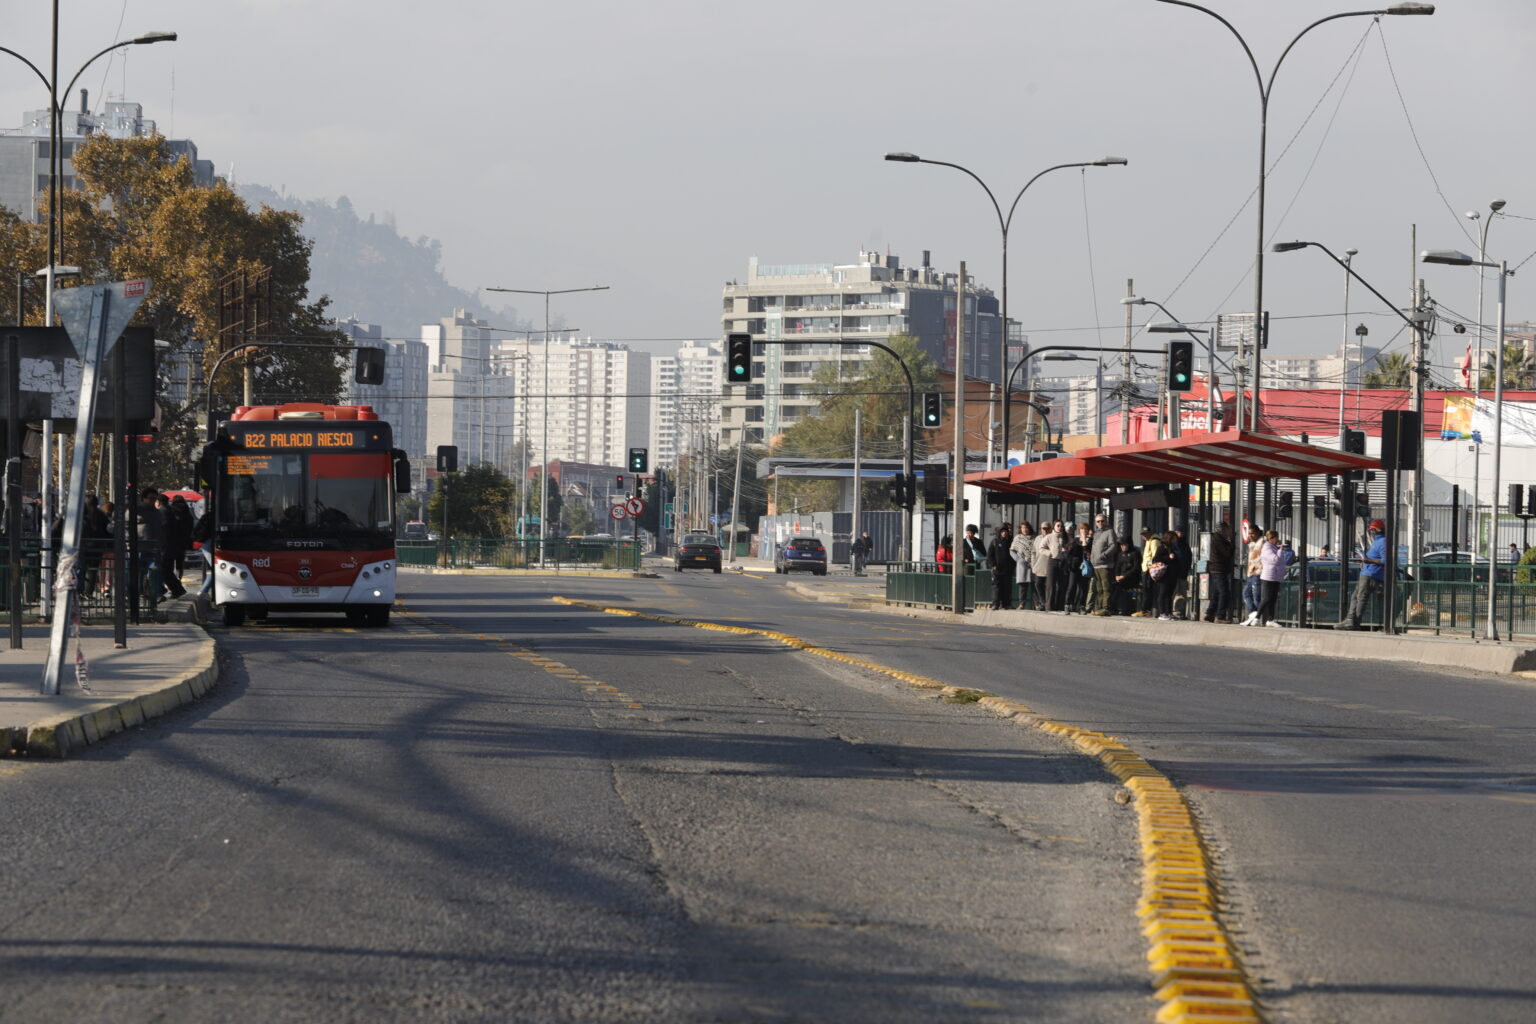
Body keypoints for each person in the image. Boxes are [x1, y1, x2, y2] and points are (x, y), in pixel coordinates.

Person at [1337, 519, 1388, 630]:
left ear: (1376, 531)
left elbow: (1385, 561)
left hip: (1371, 574)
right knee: (1355, 596)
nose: (1371, 533)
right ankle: (1350, 620)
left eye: (1372, 530)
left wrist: (1369, 560)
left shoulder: (1383, 542)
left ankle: (1355, 622)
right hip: (1367, 572)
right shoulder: (1377, 542)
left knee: (1361, 598)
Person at [135, 487, 164, 606]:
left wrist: (162, 545)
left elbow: (161, 530)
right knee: (138, 574)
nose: (153, 501)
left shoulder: (157, 512)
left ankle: (155, 596)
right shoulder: (136, 510)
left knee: (154, 572)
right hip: (139, 547)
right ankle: (137, 595)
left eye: (155, 499)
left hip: (154, 548)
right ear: (143, 498)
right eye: (151, 498)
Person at [1252, 529, 1286, 628]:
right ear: (1271, 538)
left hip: (1276, 577)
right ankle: (1256, 618)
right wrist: (1280, 551)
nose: (1277, 540)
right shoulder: (1267, 548)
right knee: (1266, 598)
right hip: (1268, 577)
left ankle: (1270, 619)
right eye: (1276, 538)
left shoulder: (1274, 547)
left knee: (1273, 599)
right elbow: (1275, 560)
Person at [161, 494, 192, 598]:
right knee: (178, 566)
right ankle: (178, 582)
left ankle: (176, 589)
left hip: (171, 543)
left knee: (166, 568)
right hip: (182, 544)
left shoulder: (171, 512)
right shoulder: (188, 514)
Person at [1204, 521, 1234, 623]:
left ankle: (1210, 613)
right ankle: (1220, 616)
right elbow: (1226, 553)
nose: (1228, 532)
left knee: (1216, 592)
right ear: (1222, 530)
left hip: (1216, 568)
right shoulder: (1219, 539)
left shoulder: (1216, 538)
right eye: (1226, 530)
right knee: (1224, 592)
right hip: (1219, 568)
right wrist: (1230, 544)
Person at [1089, 513, 1117, 615]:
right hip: (1096, 564)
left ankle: (1106, 608)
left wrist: (1104, 554)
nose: (1100, 523)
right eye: (1098, 521)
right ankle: (1099, 607)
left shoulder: (1109, 531)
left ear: (1106, 521)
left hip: (1105, 564)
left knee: (1106, 587)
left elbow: (1113, 545)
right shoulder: (1096, 533)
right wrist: (1092, 558)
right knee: (1099, 588)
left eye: (1102, 521)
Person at [1240, 525, 1264, 626]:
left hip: (1257, 572)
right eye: (1249, 534)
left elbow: (1259, 557)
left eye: (1252, 533)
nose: (1250, 536)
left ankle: (1256, 617)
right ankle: (1254, 613)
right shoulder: (1252, 544)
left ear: (1258, 533)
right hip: (1251, 573)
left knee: (1256, 596)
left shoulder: (1262, 542)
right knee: (1246, 593)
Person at [987, 523, 1015, 609]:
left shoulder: (1011, 541)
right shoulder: (995, 541)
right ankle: (995, 604)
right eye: (1002, 531)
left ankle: (1006, 604)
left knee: (1007, 587)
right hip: (997, 569)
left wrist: (1013, 566)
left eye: (1005, 531)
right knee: (996, 586)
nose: (1004, 533)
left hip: (1007, 569)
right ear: (999, 532)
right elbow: (990, 555)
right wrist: (993, 565)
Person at [1134, 528, 1161, 617]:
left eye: (1146, 534)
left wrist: (1151, 567)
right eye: (1143, 534)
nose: (1144, 536)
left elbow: (1155, 555)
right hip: (1145, 569)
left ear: (1150, 533)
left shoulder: (1154, 541)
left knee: (1148, 590)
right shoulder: (1149, 541)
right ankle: (1146, 609)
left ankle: (1145, 609)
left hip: (1149, 570)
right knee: (1146, 589)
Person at [1010, 521, 1036, 611]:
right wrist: (1018, 559)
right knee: (1022, 586)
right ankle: (1022, 604)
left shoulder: (1034, 538)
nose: (1024, 530)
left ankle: (1036, 604)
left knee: (1034, 585)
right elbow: (1012, 550)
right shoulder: (1018, 538)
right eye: (1023, 528)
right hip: (1022, 565)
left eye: (1026, 528)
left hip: (1033, 564)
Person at [1112, 536, 1141, 616]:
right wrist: (1117, 575)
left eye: (1124, 545)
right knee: (1113, 586)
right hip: (1121, 577)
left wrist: (1124, 576)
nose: (1122, 547)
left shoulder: (1135, 553)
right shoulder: (1120, 554)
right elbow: (1117, 566)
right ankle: (1114, 608)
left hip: (1132, 578)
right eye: (1121, 545)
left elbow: (1136, 568)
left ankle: (1120, 608)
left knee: (1118, 587)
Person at [1030, 519, 1054, 611]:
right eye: (1043, 528)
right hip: (1038, 565)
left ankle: (1048, 604)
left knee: (1048, 586)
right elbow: (1033, 552)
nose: (1044, 530)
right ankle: (1042, 602)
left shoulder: (1052, 538)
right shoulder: (1038, 538)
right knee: (1038, 585)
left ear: (1050, 529)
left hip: (1049, 565)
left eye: (1046, 528)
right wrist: (1033, 564)